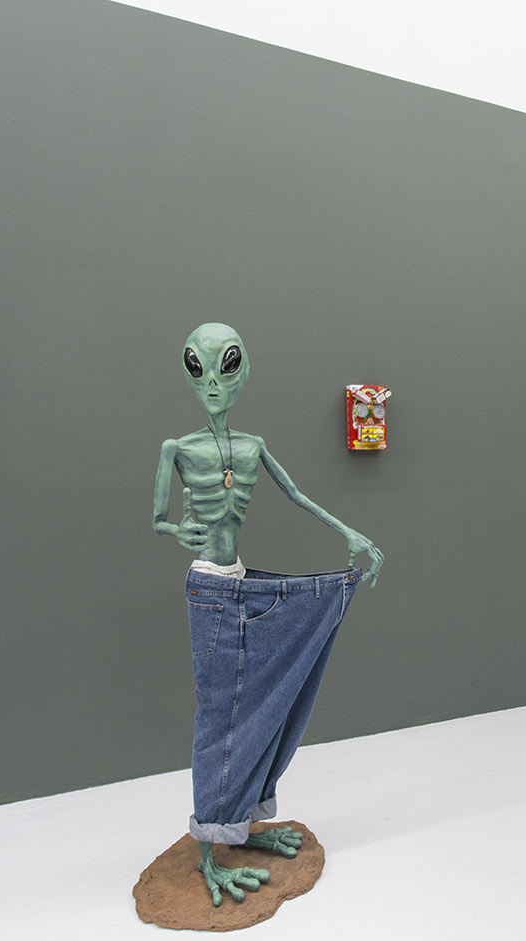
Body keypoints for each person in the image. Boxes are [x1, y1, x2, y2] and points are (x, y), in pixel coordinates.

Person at [152, 322, 383, 905]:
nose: (212, 383)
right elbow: (158, 519)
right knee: (222, 715)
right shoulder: (177, 449)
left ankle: (241, 825)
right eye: (198, 367)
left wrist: (349, 532)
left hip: (239, 581)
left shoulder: (252, 446)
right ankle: (209, 853)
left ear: (244, 370)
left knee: (264, 700)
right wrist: (177, 529)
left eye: (226, 365)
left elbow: (297, 495)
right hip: (211, 588)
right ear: (187, 373)